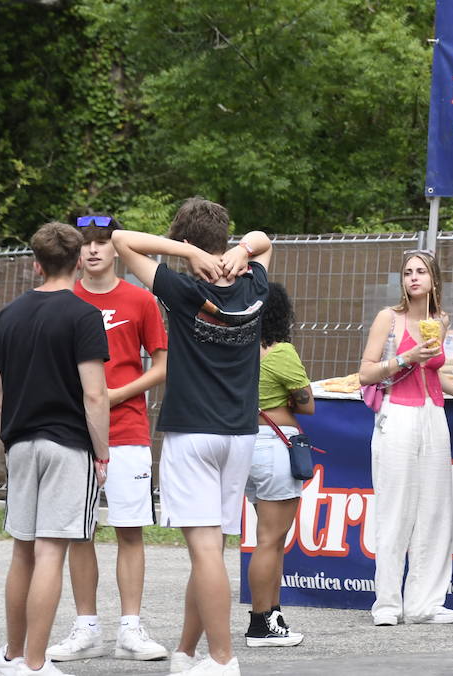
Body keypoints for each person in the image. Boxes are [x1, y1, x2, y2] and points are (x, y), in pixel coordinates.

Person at [110, 199, 272, 676]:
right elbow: (265, 240)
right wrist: (243, 249)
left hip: (192, 433)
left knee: (204, 552)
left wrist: (182, 252)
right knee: (212, 554)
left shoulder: (180, 288)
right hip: (240, 434)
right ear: (224, 240)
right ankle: (186, 651)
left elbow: (122, 242)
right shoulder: (254, 283)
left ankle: (223, 659)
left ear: (185, 244)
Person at [0, 222, 110, 676]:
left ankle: (12, 655)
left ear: (36, 263)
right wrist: (102, 451)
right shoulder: (83, 316)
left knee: (22, 551)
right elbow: (94, 396)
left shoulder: (5, 317)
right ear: (78, 262)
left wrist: (9, 441)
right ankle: (35, 664)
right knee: (52, 551)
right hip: (68, 445)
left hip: (20, 443)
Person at [47, 215, 170, 664]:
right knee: (80, 532)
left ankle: (130, 630)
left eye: (102, 242)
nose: (93, 250)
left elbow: (160, 366)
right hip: (70, 434)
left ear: (117, 249)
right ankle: (86, 628)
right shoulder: (62, 298)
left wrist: (113, 395)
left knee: (129, 532)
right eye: (85, 243)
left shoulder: (140, 300)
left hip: (128, 430)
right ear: (75, 252)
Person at [357, 248, 453, 627]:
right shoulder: (390, 319)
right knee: (394, 508)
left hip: (434, 414)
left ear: (434, 279)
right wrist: (405, 357)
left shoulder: (441, 320)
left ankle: (425, 603)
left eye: (420, 272)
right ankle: (387, 602)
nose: (413, 278)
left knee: (434, 511)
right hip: (397, 413)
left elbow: (437, 375)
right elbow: (365, 372)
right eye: (407, 273)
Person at [243, 281, 313, 648]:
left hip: (246, 446)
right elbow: (307, 403)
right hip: (275, 444)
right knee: (270, 540)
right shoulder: (281, 352)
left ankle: (272, 614)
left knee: (269, 537)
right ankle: (260, 623)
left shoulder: (239, 349)